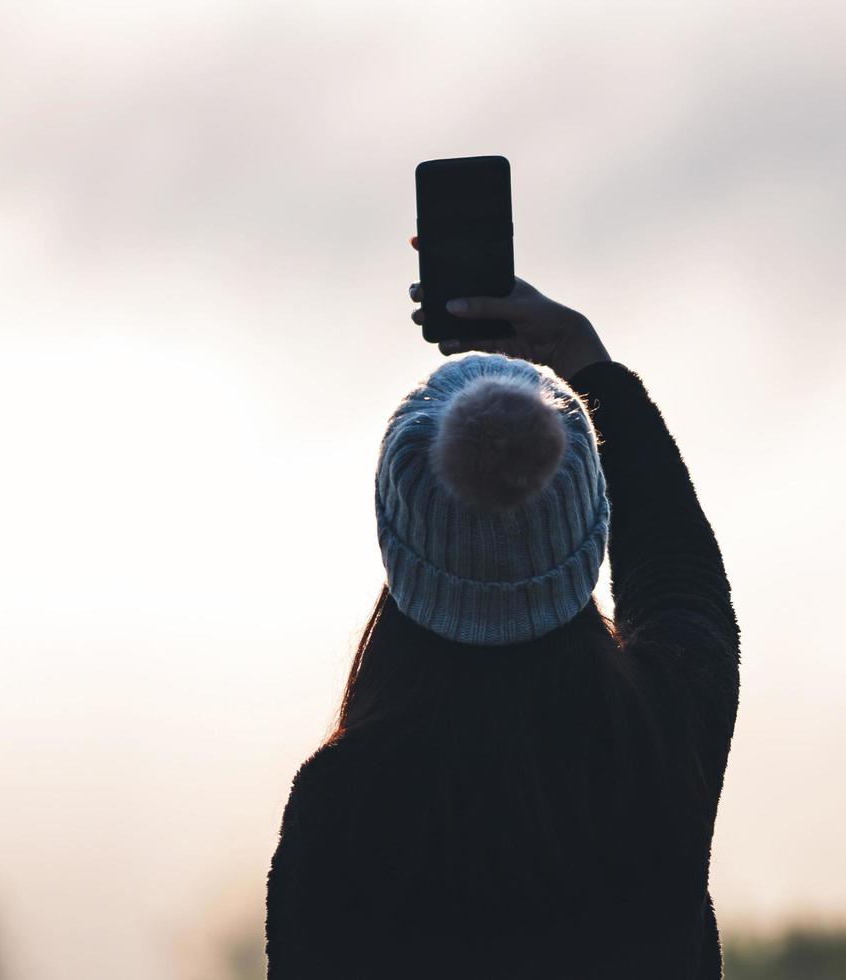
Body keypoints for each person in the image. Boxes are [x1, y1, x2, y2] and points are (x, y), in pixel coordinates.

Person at [264, 262, 739, 978]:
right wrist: (583, 359)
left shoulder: (342, 803)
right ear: (587, 533)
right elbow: (678, 571)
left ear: (400, 548)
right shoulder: (661, 733)